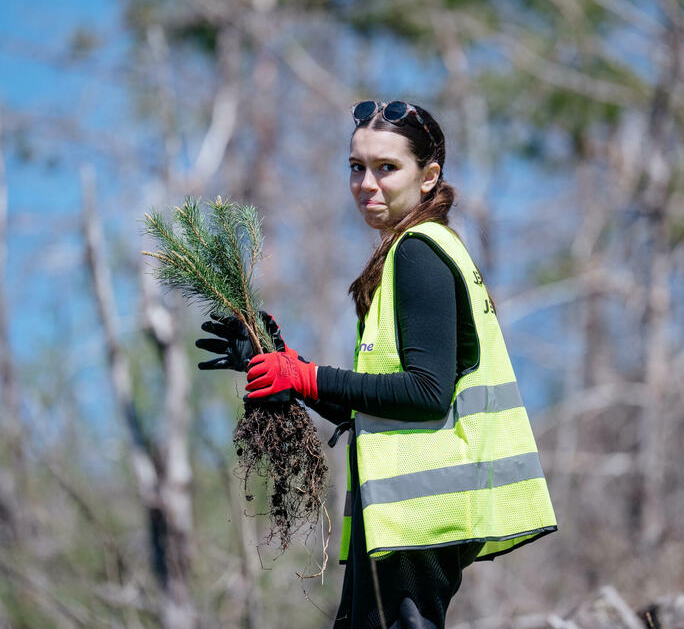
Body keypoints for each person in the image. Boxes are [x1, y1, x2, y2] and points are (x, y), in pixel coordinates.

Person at [196, 100, 557, 629]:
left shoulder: (419, 252)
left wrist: (303, 376)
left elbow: (426, 392)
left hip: (420, 511)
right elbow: (380, 402)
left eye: (386, 168)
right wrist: (283, 363)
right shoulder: (410, 251)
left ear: (429, 176)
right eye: (356, 167)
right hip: (402, 512)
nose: (367, 183)